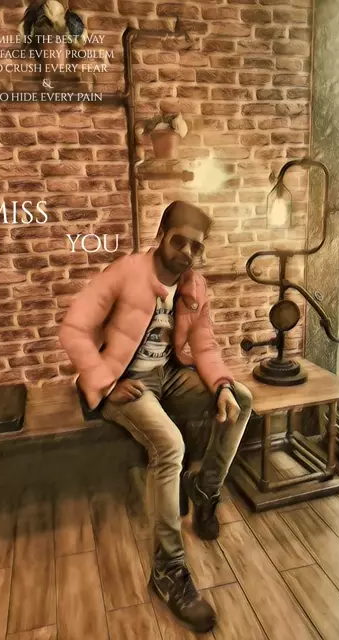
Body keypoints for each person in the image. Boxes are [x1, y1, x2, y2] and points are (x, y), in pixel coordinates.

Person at [59, 200, 252, 633]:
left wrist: (222, 385)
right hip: (126, 380)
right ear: (161, 234)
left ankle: (205, 491)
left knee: (241, 398)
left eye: (196, 246)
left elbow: (204, 346)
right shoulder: (125, 273)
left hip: (169, 374)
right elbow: (73, 328)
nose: (187, 252)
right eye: (179, 240)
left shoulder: (194, 286)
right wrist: (105, 381)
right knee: (170, 445)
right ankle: (168, 570)